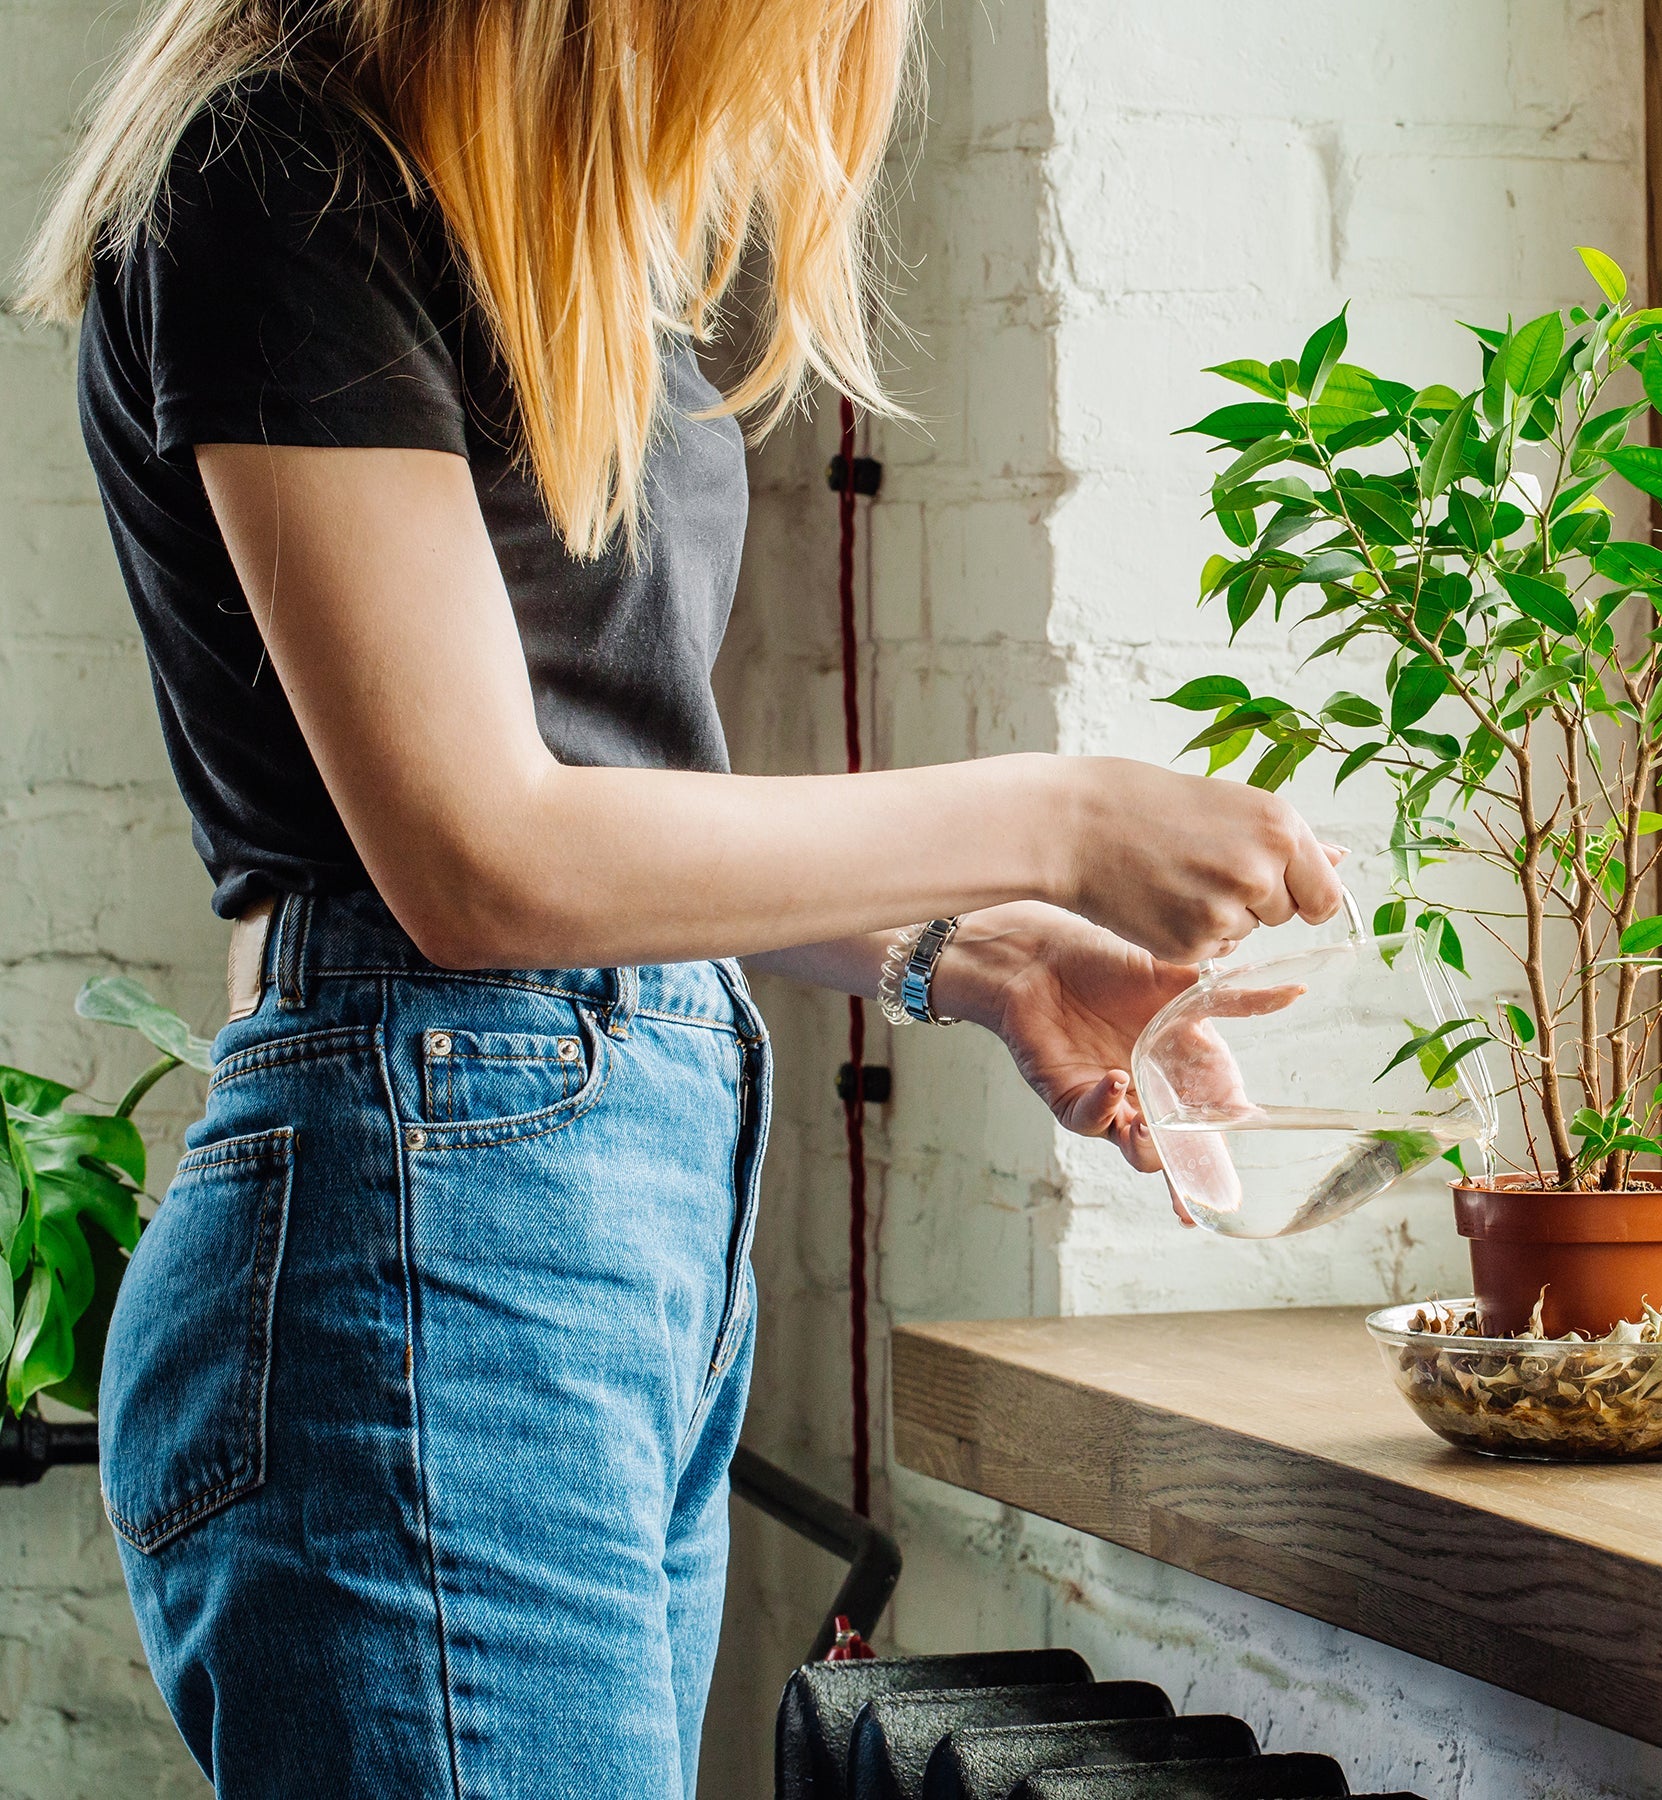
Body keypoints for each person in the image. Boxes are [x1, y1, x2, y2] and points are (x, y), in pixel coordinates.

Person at [14, 2, 1341, 1792]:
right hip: (431, 1233)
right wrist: (1062, 812)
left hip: (590, 1222)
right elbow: (477, 860)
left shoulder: (532, 221)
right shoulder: (276, 173)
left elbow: (589, 816)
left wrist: (957, 952)